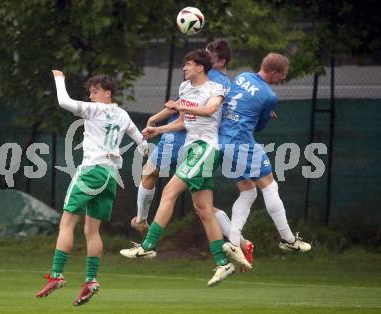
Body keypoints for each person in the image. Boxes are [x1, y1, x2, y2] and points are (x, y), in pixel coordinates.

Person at [130, 40, 254, 271]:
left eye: (190, 63)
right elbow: (179, 112)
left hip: (200, 145)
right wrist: (157, 124)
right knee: (203, 208)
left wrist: (260, 110)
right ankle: (229, 255)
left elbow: (210, 109)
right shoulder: (187, 86)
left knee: (159, 182)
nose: (185, 68)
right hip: (186, 140)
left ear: (213, 63)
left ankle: (145, 234)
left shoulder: (218, 84)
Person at [36, 71, 148, 306]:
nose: (91, 96)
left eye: (95, 91)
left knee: (67, 222)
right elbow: (142, 143)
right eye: (90, 92)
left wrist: (58, 78)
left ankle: (56, 275)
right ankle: (91, 280)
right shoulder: (123, 115)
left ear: (108, 93)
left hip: (91, 170)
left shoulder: (94, 109)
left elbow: (63, 102)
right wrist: (148, 149)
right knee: (92, 231)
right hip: (110, 176)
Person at [218, 53, 311, 267]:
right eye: (283, 75)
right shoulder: (269, 96)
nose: (283, 79)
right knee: (270, 187)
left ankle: (233, 242)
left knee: (248, 191)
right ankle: (288, 239)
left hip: (223, 141)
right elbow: (258, 127)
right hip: (241, 141)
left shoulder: (241, 77)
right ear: (273, 72)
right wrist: (267, 116)